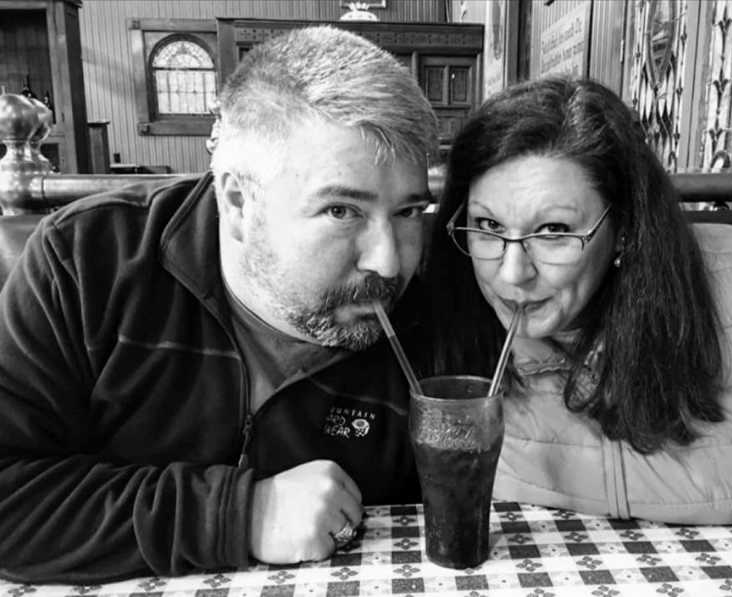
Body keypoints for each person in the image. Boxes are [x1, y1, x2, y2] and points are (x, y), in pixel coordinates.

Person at [0, 26, 438, 583]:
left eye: (407, 213)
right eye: (341, 211)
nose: (389, 263)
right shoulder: (89, 261)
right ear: (236, 199)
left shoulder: (430, 308)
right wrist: (237, 514)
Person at [423, 77, 732, 557]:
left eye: (553, 231)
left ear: (625, 230)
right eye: (487, 226)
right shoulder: (442, 323)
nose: (512, 274)